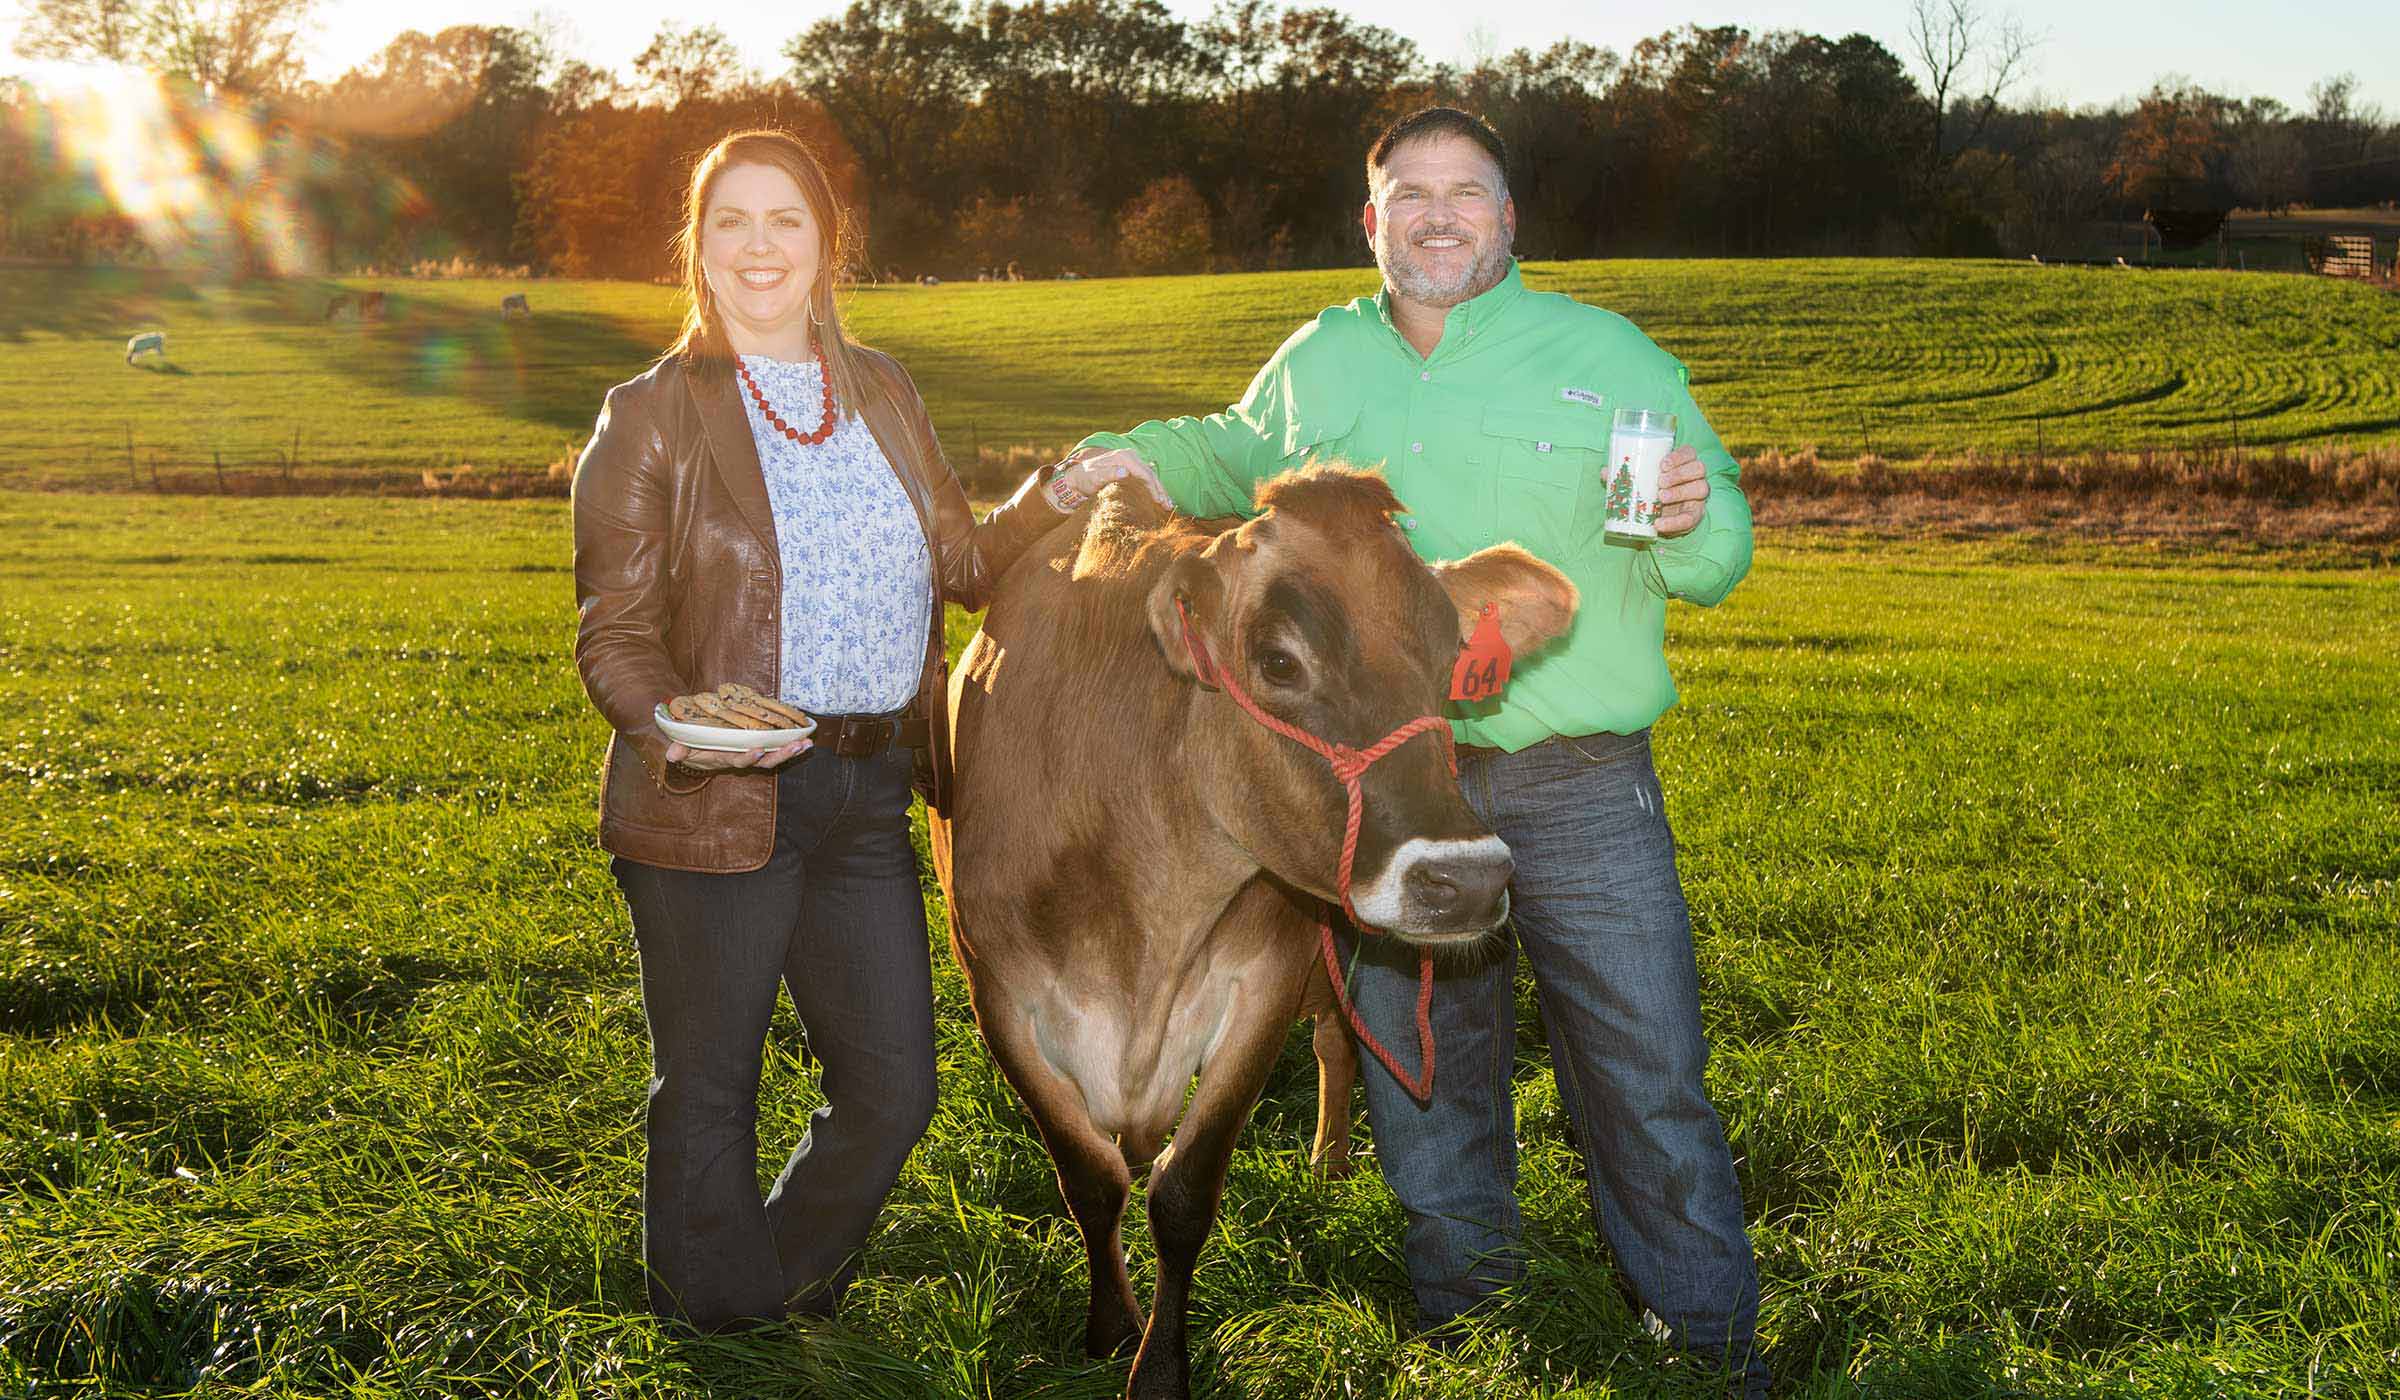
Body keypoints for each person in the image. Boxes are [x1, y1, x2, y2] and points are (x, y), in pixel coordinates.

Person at [1071, 107, 1764, 1391]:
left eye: (1467, 191)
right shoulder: (1323, 360)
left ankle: (1710, 1345)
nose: (1438, 213)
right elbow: (1228, 450)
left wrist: (1686, 515)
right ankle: (1473, 1327)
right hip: (1375, 783)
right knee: (1425, 1079)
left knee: (1647, 1070)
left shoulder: (1603, 355)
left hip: (1572, 774)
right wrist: (1123, 459)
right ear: (1370, 221)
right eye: (1411, 193)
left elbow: (1720, 554)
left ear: (1508, 219)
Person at [571, 128, 1142, 1333]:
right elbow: (612, 634)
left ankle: (766, 1283)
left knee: (892, 1085)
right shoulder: (651, 415)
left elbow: (965, 565)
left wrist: (1056, 494)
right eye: (733, 220)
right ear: (700, 248)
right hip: (718, 796)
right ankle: (719, 1330)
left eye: (787, 219)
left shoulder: (881, 388)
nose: (761, 245)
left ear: (828, 244)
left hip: (872, 788)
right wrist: (682, 721)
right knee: (711, 1087)